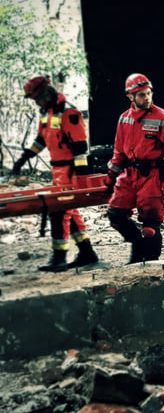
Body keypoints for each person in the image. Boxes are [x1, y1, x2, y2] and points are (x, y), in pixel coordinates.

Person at [12, 76, 99, 272]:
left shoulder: (69, 112)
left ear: (46, 93)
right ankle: (87, 252)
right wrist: (24, 158)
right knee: (71, 213)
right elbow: (41, 140)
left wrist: (81, 177)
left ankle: (59, 259)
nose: (37, 103)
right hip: (58, 171)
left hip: (69, 171)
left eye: (37, 99)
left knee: (58, 212)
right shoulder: (47, 113)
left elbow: (79, 147)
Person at [106, 73, 164, 264]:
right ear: (131, 97)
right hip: (129, 175)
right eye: (142, 95)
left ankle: (151, 265)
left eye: (148, 93)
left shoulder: (162, 117)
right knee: (115, 215)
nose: (147, 98)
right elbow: (119, 151)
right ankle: (137, 248)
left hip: (152, 176)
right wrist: (112, 176)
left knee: (150, 227)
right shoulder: (124, 119)